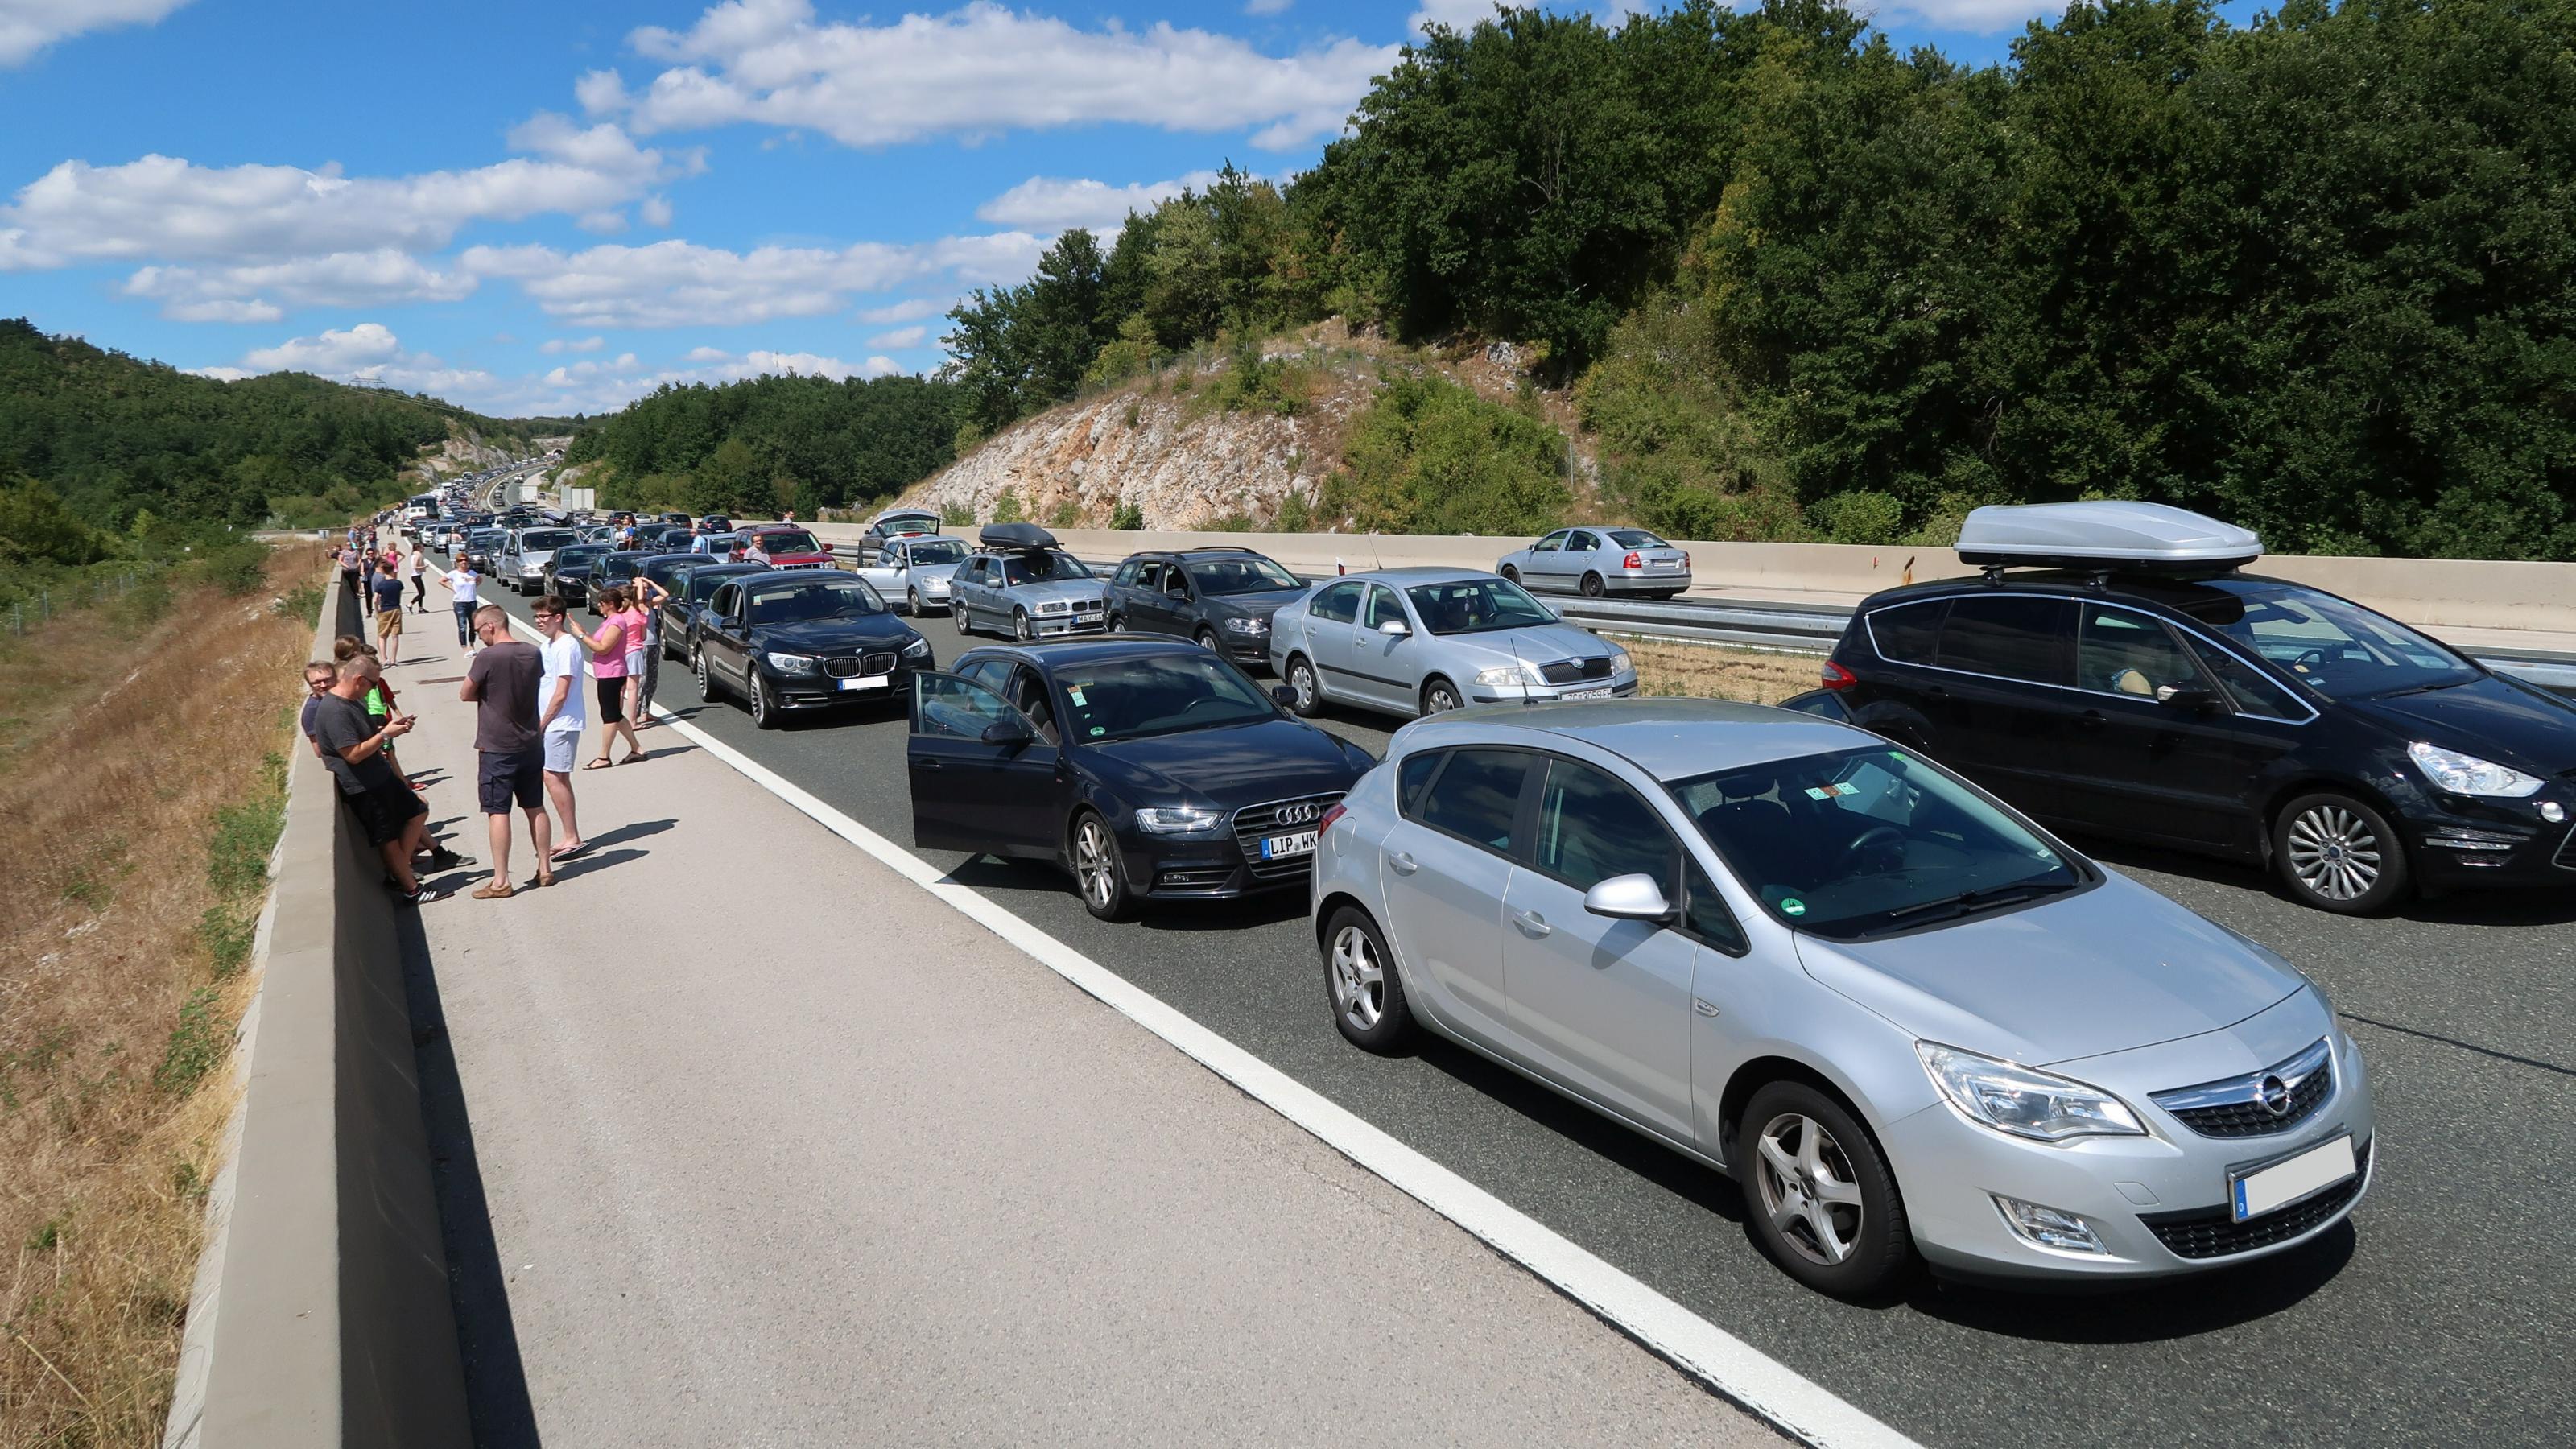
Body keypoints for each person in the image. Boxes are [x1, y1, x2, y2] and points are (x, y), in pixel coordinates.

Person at [310, 656, 456, 905]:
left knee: (418, 810)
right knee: (387, 840)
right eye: (373, 684)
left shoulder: (353, 701)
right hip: (364, 786)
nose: (374, 689)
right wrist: (386, 735)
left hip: (380, 776)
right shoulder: (335, 711)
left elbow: (366, 736)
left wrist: (390, 728)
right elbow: (353, 754)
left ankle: (398, 871)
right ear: (358, 680)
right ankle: (411, 889)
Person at [460, 605, 552, 898]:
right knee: (535, 805)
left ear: (490, 626)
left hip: (497, 745)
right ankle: (545, 866)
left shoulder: (488, 656)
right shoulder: (532, 652)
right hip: (530, 741)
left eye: (478, 631)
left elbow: (466, 692)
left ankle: (501, 880)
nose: (479, 637)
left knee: (497, 811)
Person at [531, 596, 592, 860]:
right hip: (552, 721)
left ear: (558, 617)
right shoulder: (547, 645)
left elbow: (561, 691)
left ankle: (572, 836)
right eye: (536, 617)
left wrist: (542, 724)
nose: (539, 621)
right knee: (555, 776)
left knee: (553, 776)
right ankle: (570, 835)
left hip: (561, 721)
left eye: (544, 617)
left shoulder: (567, 646)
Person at [568, 587, 642, 767]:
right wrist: (584, 633)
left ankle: (604, 756)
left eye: (601, 603)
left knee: (609, 715)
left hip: (613, 673)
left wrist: (580, 635)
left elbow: (603, 648)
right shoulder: (609, 620)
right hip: (606, 672)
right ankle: (637, 749)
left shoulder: (617, 622)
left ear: (610, 604)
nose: (598, 606)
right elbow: (598, 643)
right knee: (615, 714)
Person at [626, 574, 671, 725]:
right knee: (642, 680)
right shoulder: (636, 606)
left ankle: (646, 711)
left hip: (654, 645)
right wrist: (639, 585)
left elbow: (665, 595)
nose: (646, 592)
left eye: (647, 590)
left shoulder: (649, 603)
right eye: (643, 589)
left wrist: (651, 582)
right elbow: (638, 599)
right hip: (643, 646)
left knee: (652, 680)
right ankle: (635, 715)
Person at [437, 556, 482, 651]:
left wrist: (474, 588)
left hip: (472, 601)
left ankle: (471, 645)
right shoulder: (454, 574)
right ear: (457, 563)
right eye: (461, 560)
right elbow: (441, 581)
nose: (464, 562)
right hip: (460, 603)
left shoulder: (472, 573)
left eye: (465, 560)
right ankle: (464, 648)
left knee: (473, 625)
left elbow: (479, 580)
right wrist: (452, 588)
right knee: (462, 626)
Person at [299, 660, 338, 758]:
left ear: (336, 679)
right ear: (310, 684)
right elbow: (319, 751)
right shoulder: (312, 711)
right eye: (317, 682)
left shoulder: (341, 699)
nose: (323, 685)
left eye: (327, 680)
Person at [369, 565, 407, 665]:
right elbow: (399, 595)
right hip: (396, 608)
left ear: (383, 571)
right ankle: (393, 659)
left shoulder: (381, 585)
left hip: (385, 610)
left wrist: (377, 612)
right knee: (395, 635)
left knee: (382, 635)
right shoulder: (398, 583)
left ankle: (383, 659)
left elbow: (375, 600)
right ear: (392, 571)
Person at [408, 547, 429, 612]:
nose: (423, 549)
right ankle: (410, 603)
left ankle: (421, 608)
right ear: (418, 548)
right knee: (422, 593)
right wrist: (425, 566)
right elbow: (415, 566)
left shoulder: (414, 555)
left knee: (420, 593)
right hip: (416, 576)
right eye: (422, 548)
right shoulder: (417, 556)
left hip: (417, 576)